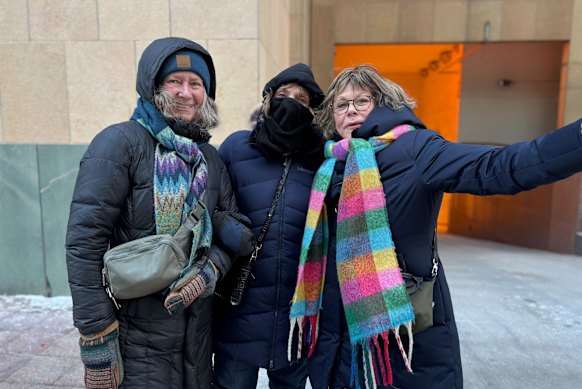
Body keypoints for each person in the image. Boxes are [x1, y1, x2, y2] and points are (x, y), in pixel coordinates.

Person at [287, 64, 582, 389]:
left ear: (384, 103)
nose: (351, 111)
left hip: (406, 335)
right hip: (342, 341)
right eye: (341, 104)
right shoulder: (329, 166)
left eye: (362, 101)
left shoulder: (416, 149)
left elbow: (498, 167)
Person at [66, 37, 252, 388]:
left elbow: (234, 227)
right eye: (174, 82)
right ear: (154, 86)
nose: (186, 93)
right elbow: (84, 243)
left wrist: (210, 270)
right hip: (135, 336)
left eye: (196, 84)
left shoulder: (209, 158)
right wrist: (96, 335)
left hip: (195, 335)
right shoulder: (120, 143)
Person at [213, 63, 325, 388]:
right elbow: (210, 206)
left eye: (301, 99)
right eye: (283, 95)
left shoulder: (320, 158)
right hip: (239, 312)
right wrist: (229, 230)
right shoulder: (237, 147)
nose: (291, 102)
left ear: (311, 110)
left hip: (296, 320)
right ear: (267, 100)